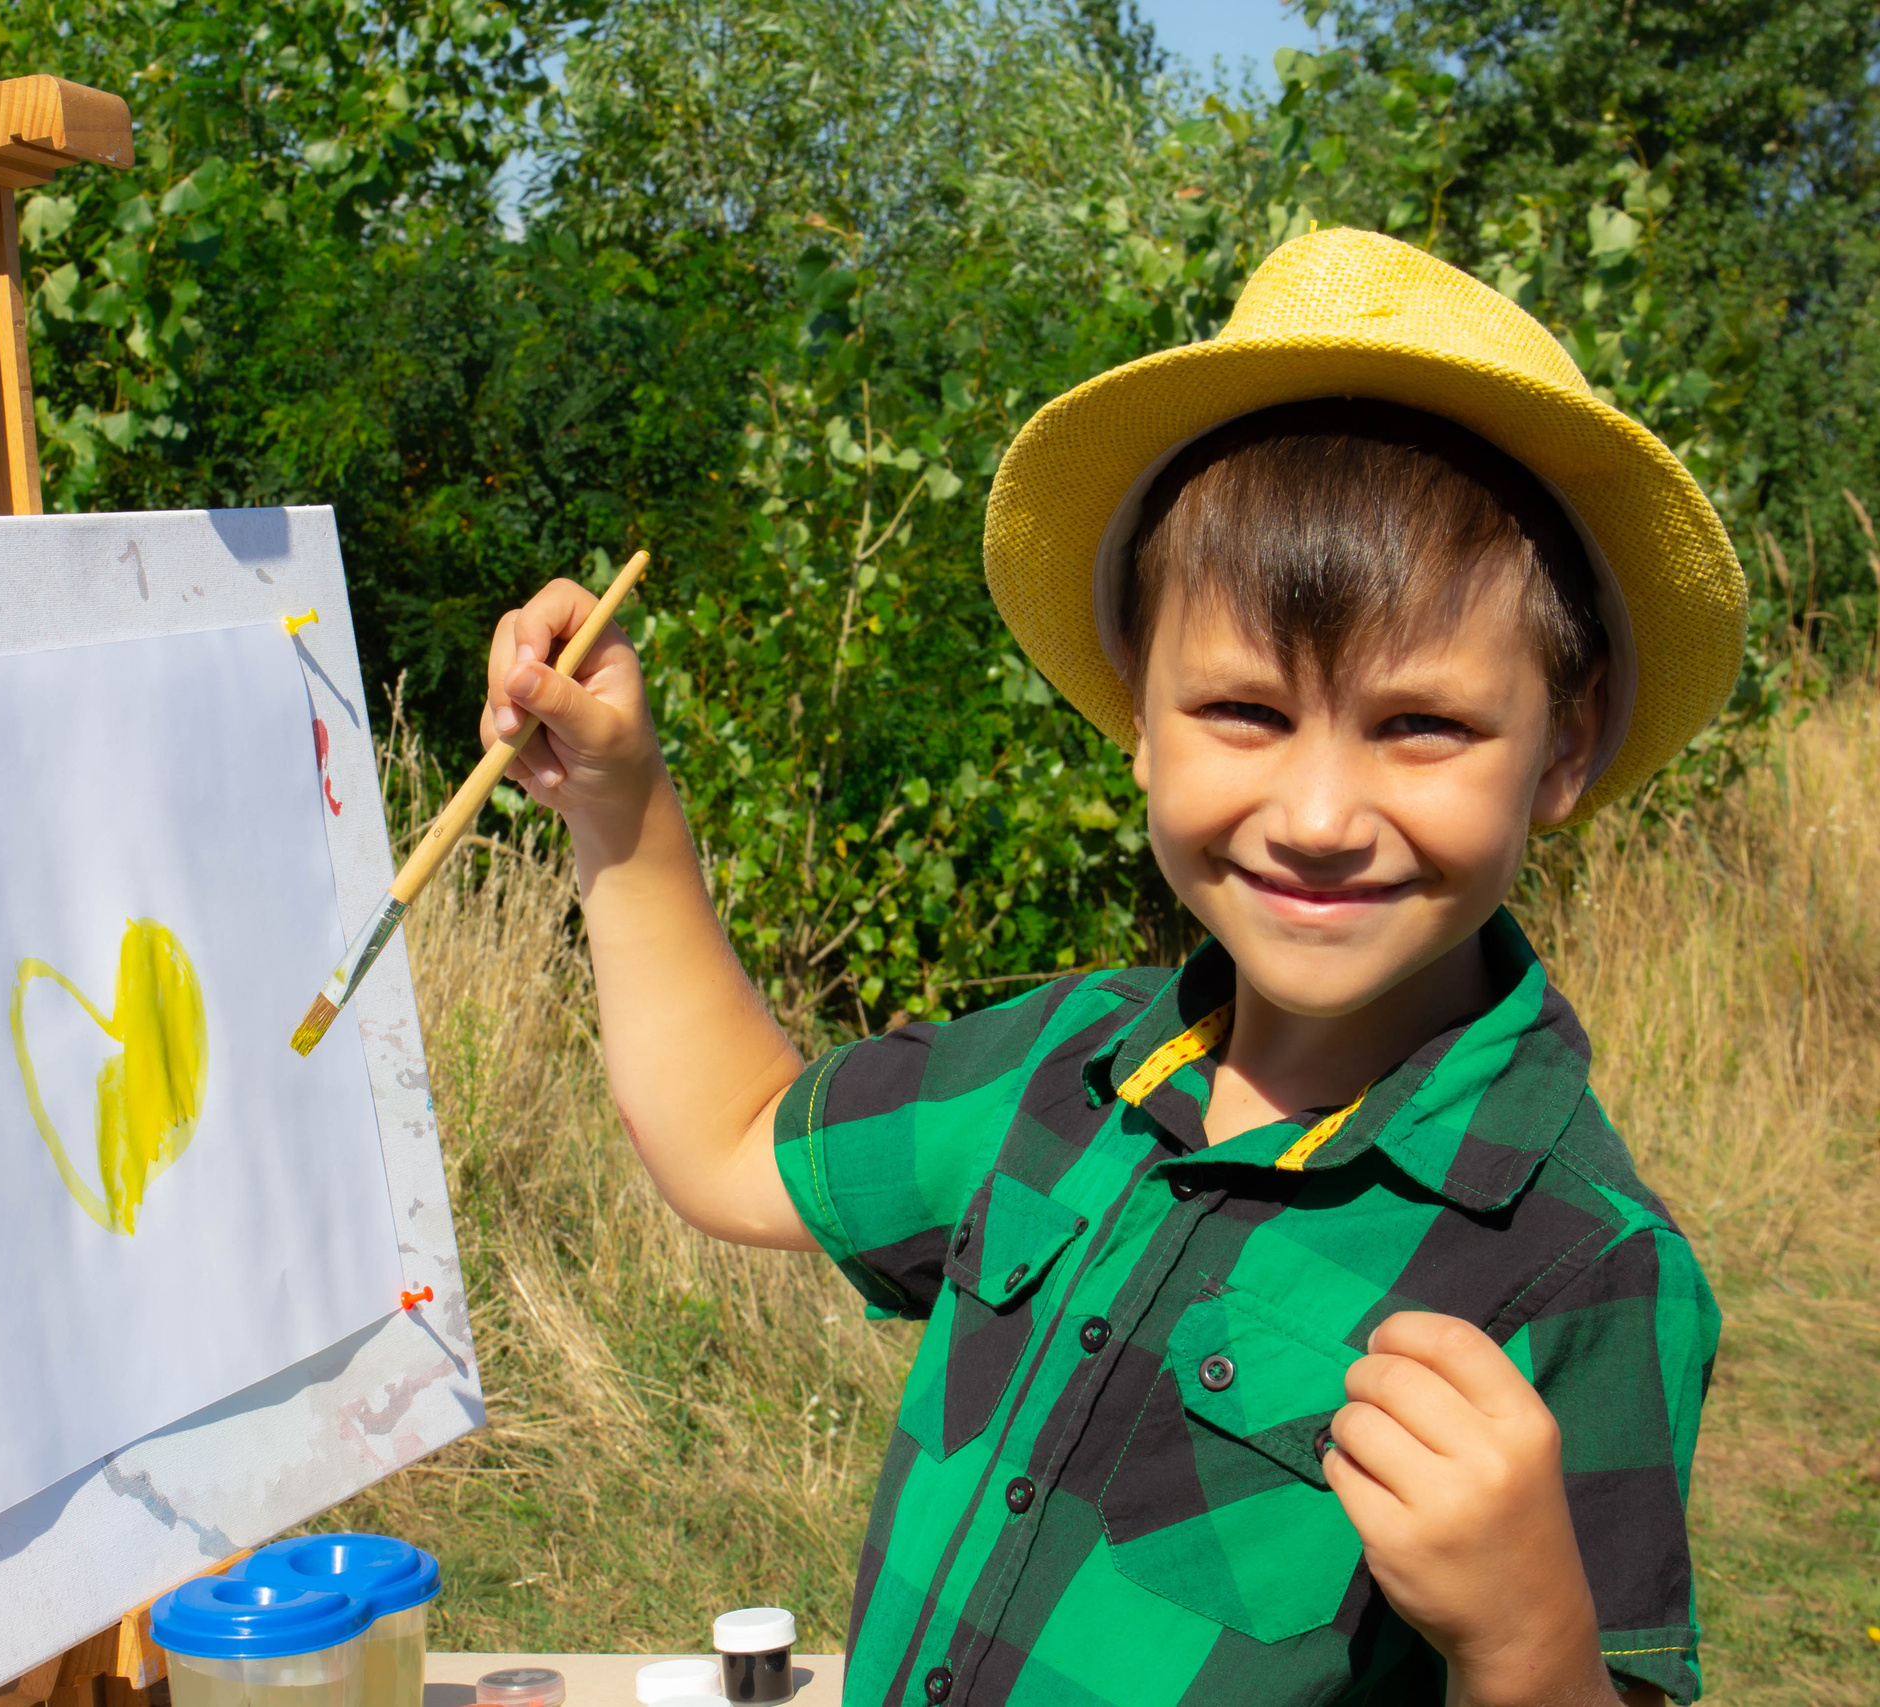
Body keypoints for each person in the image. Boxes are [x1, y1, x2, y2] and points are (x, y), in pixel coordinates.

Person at [473, 229, 1738, 1706]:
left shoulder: (1584, 1267)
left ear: (1563, 750)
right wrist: (622, 804)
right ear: (1139, 716)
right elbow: (734, 1138)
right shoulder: (1053, 1072)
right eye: (1244, 714)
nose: (1321, 819)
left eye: (1422, 727)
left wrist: (1529, 1647)